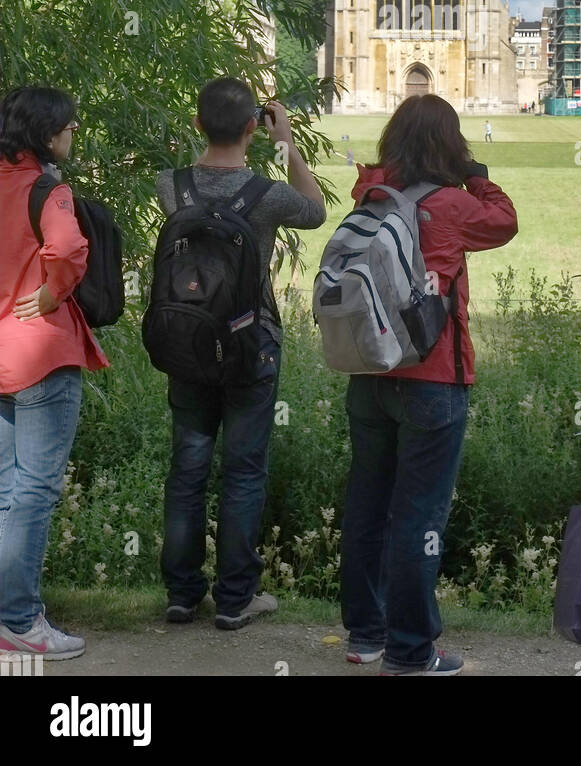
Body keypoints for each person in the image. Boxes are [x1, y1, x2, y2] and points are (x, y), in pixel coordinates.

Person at [340, 92, 518, 675]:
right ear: (450, 145)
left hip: (370, 368)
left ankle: (366, 634)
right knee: (419, 518)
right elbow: (505, 221)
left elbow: (368, 178)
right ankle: (411, 650)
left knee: (367, 504)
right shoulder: (452, 204)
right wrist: (477, 177)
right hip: (432, 374)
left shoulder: (373, 190)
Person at [155, 78, 326, 630]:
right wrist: (288, 145)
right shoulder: (266, 195)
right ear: (253, 127)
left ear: (197, 123)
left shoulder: (171, 187)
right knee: (244, 470)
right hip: (251, 340)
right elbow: (316, 211)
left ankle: (182, 594)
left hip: (186, 341)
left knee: (188, 467)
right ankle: (235, 597)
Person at [0, 86, 109, 661]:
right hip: (41, 355)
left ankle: (5, 616)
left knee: (4, 492)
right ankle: (19, 620)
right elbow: (68, 250)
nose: (73, 134)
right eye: (67, 126)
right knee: (36, 490)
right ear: (47, 135)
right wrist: (49, 294)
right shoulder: (48, 188)